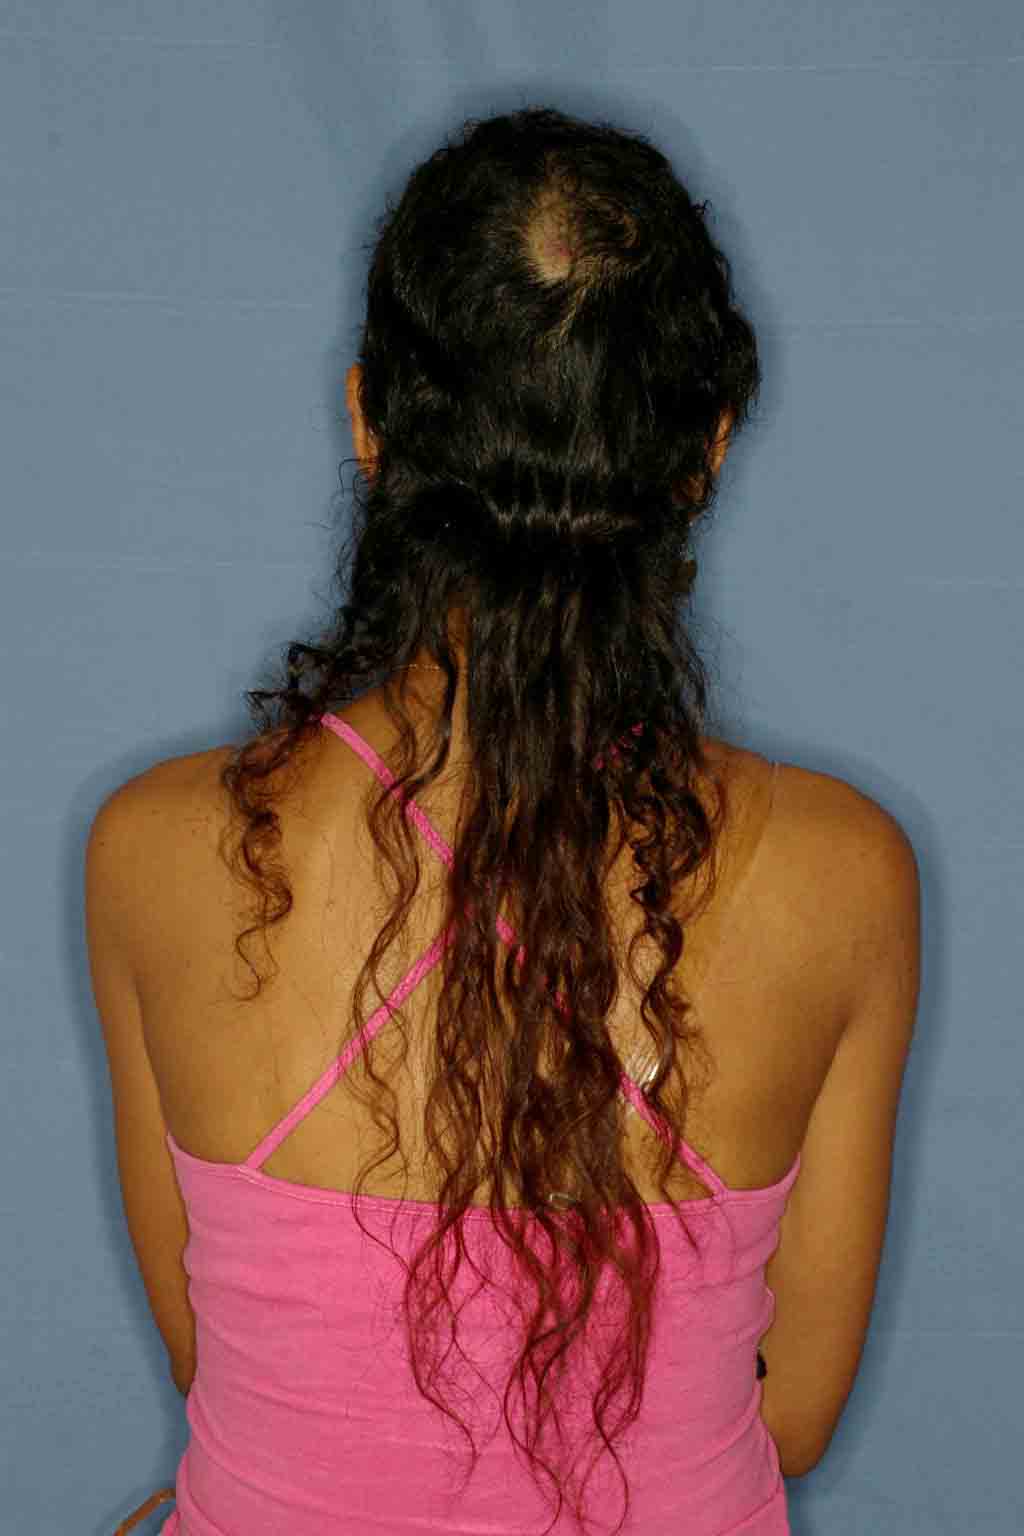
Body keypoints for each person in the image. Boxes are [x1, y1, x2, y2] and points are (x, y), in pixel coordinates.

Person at [88, 106, 920, 1536]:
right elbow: (788, 1418)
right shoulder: (843, 876)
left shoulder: (155, 851)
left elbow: (211, 1358)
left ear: (370, 423)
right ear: (705, 448)